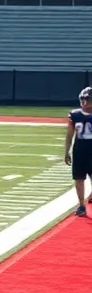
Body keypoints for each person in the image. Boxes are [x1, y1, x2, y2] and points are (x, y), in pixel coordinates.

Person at [64, 87, 92, 217]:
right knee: (79, 178)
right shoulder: (74, 114)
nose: (84, 101)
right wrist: (67, 151)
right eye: (83, 99)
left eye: (87, 99)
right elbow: (70, 135)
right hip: (79, 150)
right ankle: (81, 205)